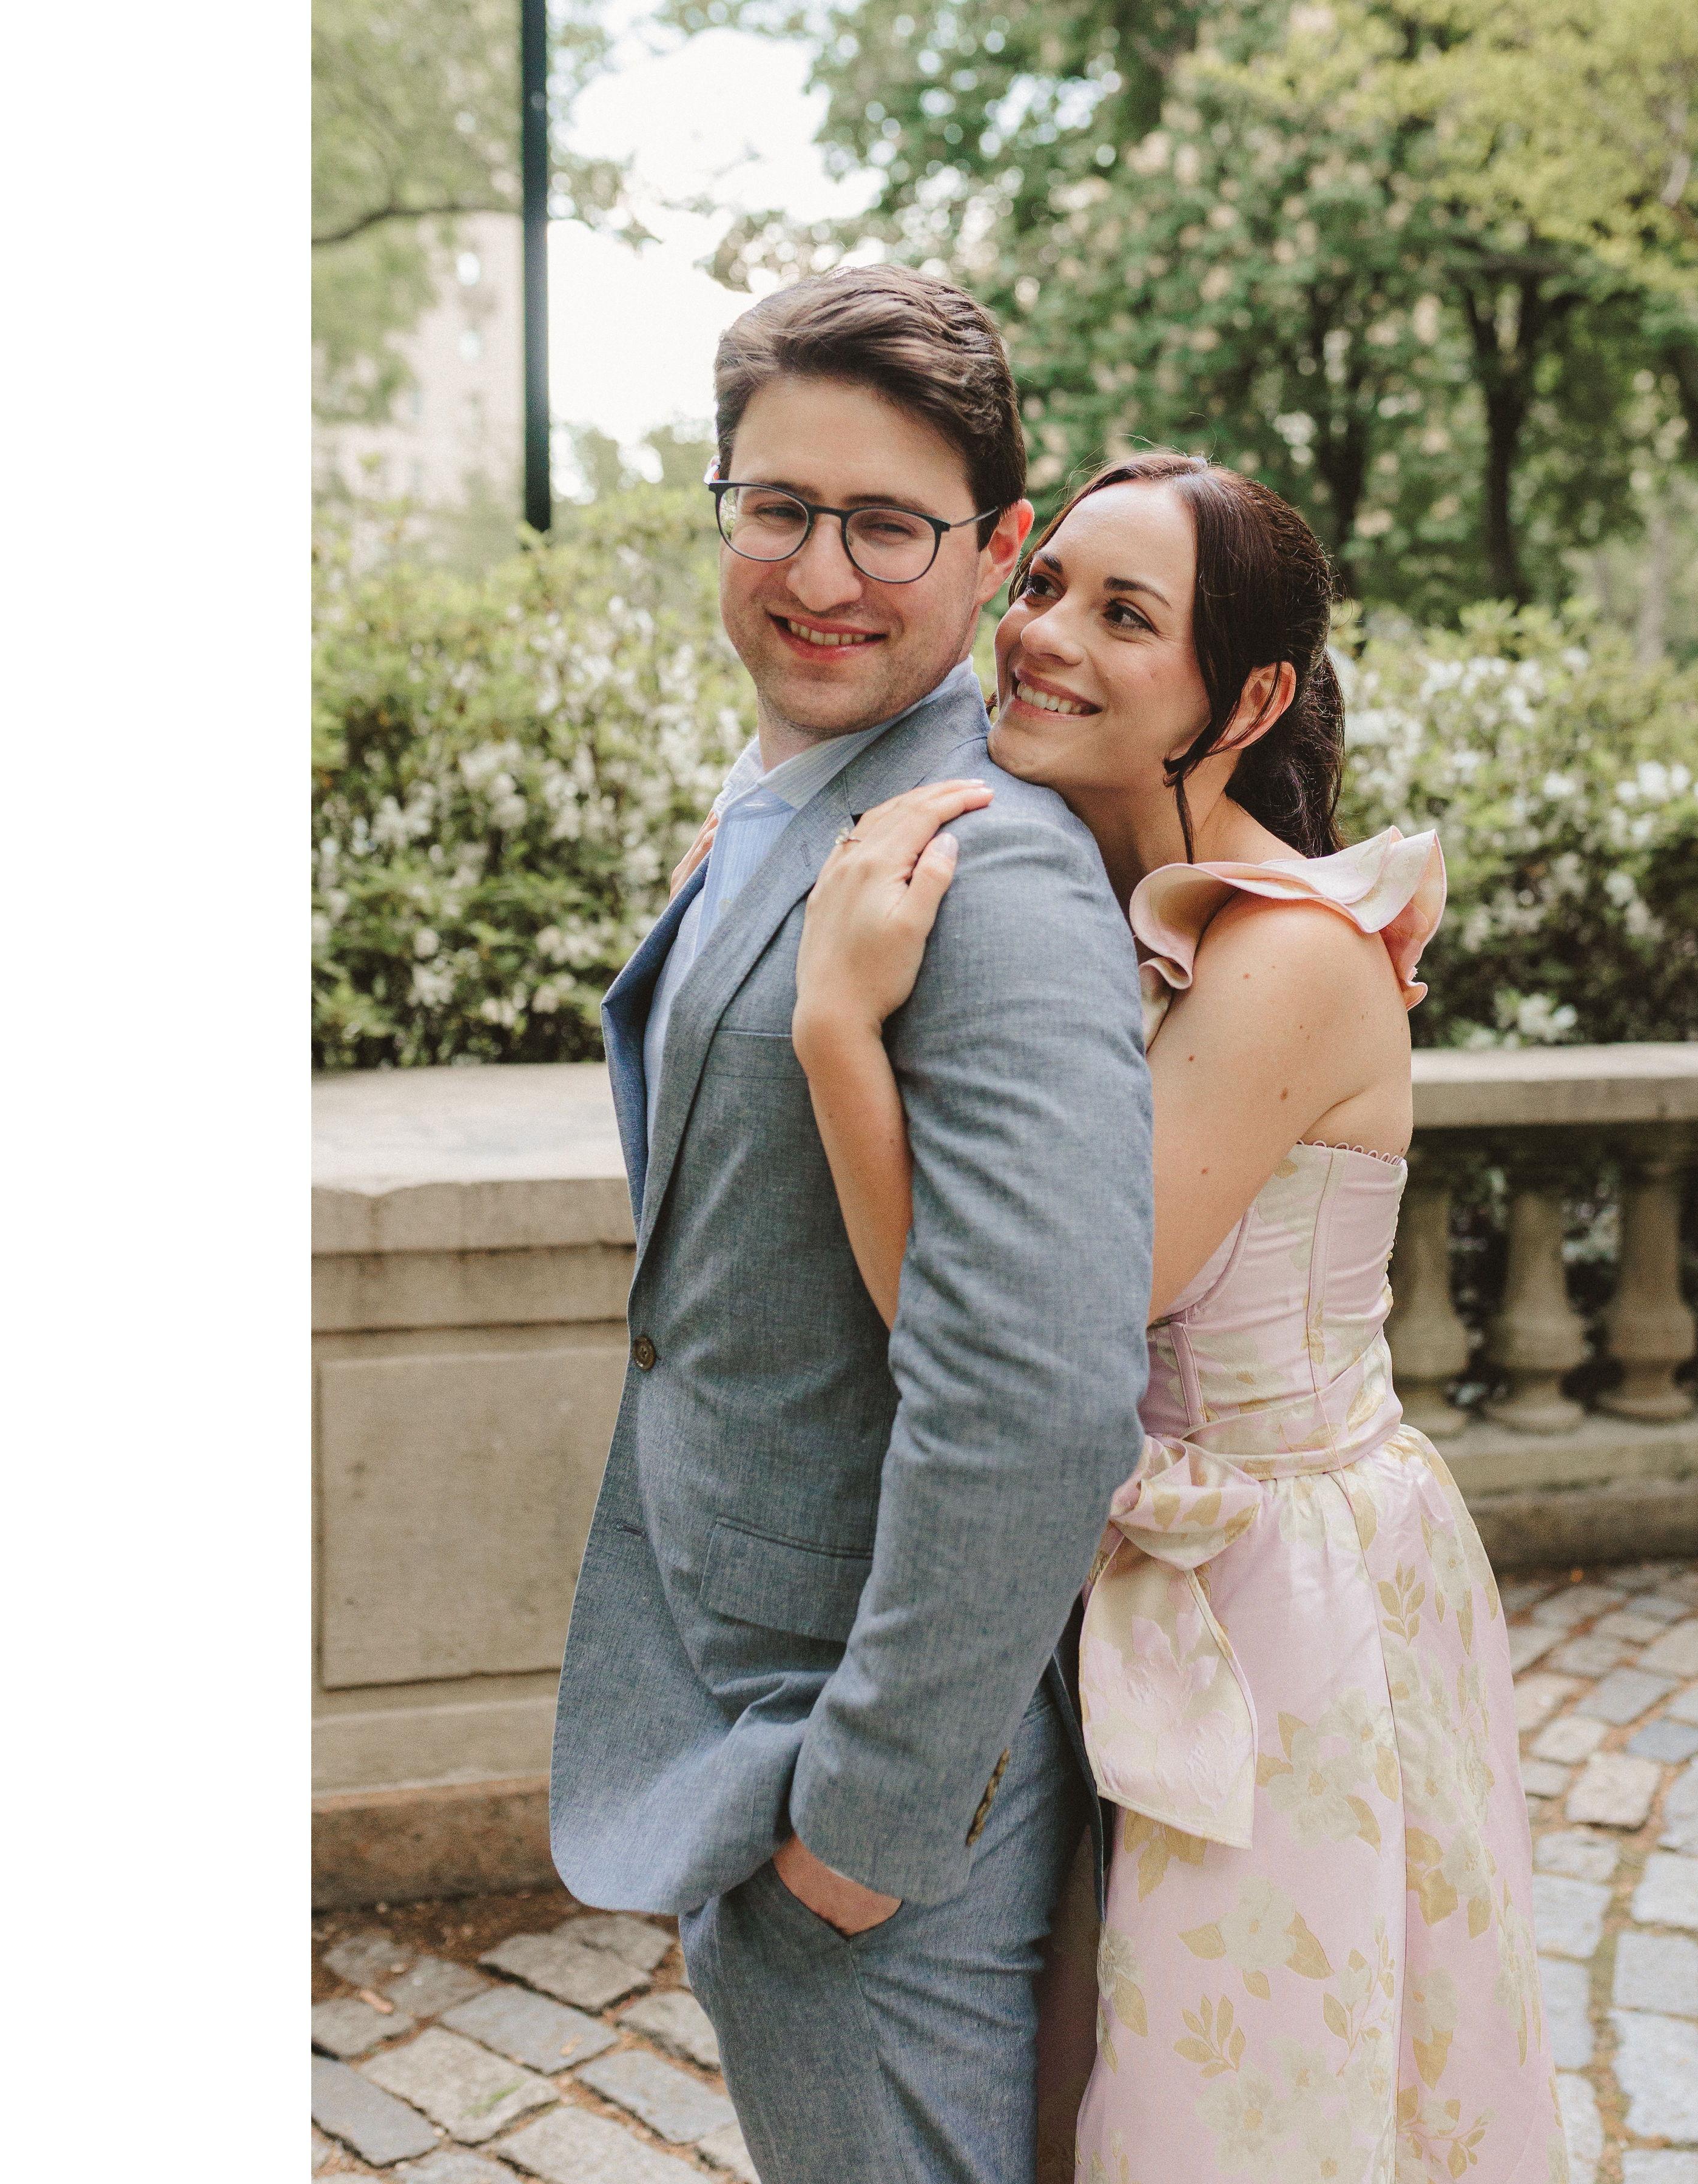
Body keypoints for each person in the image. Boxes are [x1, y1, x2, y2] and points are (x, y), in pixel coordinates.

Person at [791, 451, 1565, 2183]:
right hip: (1127, 1571)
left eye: (1124, 615)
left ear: (1251, 695)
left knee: (1234, 2107)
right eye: (1046, 584)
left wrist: (838, 1039)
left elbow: (1037, 1331)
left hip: (1278, 1605)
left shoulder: (1287, 956)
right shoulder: (1079, 883)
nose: (1042, 636)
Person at [548, 267, 1156, 2184]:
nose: (822, 570)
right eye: (778, 507)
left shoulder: (994, 881)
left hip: (871, 1793)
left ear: (993, 555)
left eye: (888, 523)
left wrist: (860, 1831)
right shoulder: (813, 791)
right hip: (745, 1728)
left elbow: (1044, 1399)